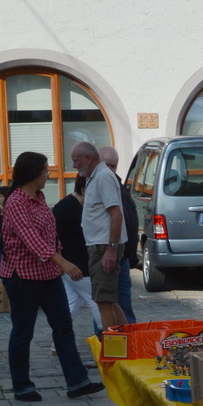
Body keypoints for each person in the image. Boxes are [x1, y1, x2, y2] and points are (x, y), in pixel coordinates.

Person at [0, 151, 104, 403]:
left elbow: (50, 234)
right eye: (46, 170)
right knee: (23, 331)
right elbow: (32, 239)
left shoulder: (39, 198)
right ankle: (22, 386)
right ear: (34, 173)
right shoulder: (16, 202)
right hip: (22, 275)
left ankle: (77, 381)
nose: (49, 174)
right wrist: (64, 263)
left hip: (47, 274)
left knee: (63, 326)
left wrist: (58, 258)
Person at [70, 142, 126, 331]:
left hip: (104, 246)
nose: (74, 165)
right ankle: (127, 344)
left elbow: (116, 213)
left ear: (88, 158)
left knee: (103, 301)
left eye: (75, 160)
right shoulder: (94, 177)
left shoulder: (102, 177)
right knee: (107, 300)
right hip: (100, 245)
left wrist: (111, 248)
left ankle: (113, 351)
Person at [53, 176, 102, 335]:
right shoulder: (65, 207)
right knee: (96, 301)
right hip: (76, 264)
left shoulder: (84, 206)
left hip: (80, 262)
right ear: (83, 190)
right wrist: (61, 263)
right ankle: (108, 337)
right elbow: (54, 236)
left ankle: (58, 339)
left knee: (72, 303)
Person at [98, 146, 137, 325]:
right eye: (107, 166)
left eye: (113, 166)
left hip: (122, 255)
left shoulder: (118, 184)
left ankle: (129, 340)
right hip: (108, 253)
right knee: (106, 304)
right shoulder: (98, 184)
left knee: (122, 303)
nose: (110, 170)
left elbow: (128, 219)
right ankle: (106, 339)